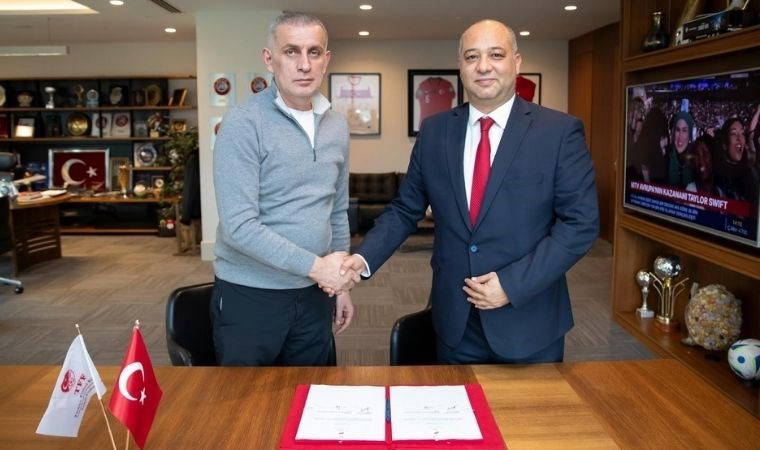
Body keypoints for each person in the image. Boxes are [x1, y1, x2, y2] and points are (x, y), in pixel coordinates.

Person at [340, 20, 599, 364]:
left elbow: (580, 224)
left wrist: (512, 285)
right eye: (472, 56)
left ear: (516, 62)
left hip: (528, 322)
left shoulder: (558, 132)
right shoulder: (435, 131)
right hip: (455, 324)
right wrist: (362, 258)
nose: (483, 66)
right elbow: (405, 209)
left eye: (496, 55)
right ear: (461, 66)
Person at [210, 12, 359, 366]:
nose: (304, 64)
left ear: (326, 60)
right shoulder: (243, 123)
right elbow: (239, 226)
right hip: (252, 295)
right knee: (248, 398)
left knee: (313, 393)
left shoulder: (336, 124)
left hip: (315, 294)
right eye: (291, 51)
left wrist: (339, 283)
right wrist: (317, 267)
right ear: (269, 59)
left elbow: (337, 209)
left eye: (314, 52)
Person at [715, 117, 757, 204]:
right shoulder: (715, 175)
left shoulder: (751, 171)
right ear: (724, 143)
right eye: (733, 133)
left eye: (742, 133)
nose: (739, 138)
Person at [666, 111, 695, 189]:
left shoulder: (695, 162)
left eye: (684, 130)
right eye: (678, 130)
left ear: (690, 135)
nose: (680, 136)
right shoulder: (666, 158)